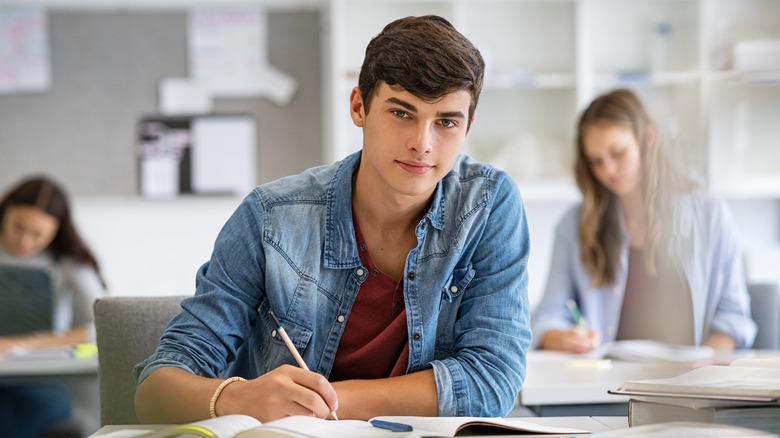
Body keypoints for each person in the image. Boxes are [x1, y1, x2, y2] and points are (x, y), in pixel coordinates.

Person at [134, 15, 531, 424]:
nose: (422, 144)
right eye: (401, 113)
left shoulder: (487, 205)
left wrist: (321, 404)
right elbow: (155, 389)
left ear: (468, 126)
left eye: (446, 122)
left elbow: (493, 382)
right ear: (359, 106)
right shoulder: (271, 218)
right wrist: (240, 399)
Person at [532, 89, 756, 354]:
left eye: (617, 153)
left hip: (691, 385)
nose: (608, 170)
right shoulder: (573, 225)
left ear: (648, 138)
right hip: (606, 387)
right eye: (595, 162)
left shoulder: (710, 213)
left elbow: (733, 320)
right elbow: (547, 316)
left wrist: (701, 372)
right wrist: (562, 338)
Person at [0, 176, 107, 438]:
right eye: (18, 227)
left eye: (38, 234)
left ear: (56, 231)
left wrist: (20, 344)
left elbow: (105, 326)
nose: (24, 241)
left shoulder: (69, 263)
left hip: (42, 384)